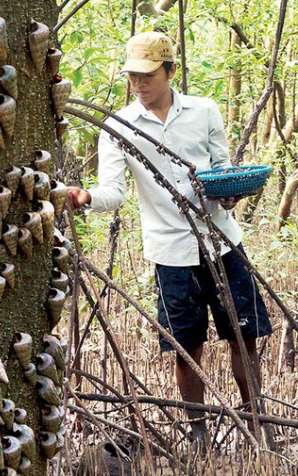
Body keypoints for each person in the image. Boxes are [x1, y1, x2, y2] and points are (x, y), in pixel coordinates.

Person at [67, 31, 272, 444]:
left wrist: (227, 193)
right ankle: (197, 435)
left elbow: (221, 167)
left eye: (148, 75)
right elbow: (113, 193)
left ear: (170, 71)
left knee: (243, 335)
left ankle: (258, 425)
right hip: (171, 252)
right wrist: (85, 197)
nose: (140, 85)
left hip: (222, 242)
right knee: (185, 346)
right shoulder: (118, 127)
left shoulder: (204, 110)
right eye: (133, 77)